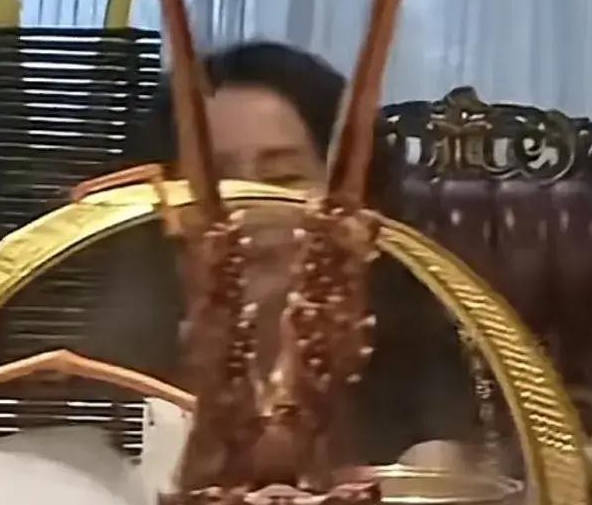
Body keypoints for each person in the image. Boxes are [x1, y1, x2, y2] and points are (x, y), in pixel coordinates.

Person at [92, 39, 489, 471]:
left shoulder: (422, 364)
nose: (250, 208)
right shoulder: (107, 371)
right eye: (213, 184)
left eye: (283, 179)